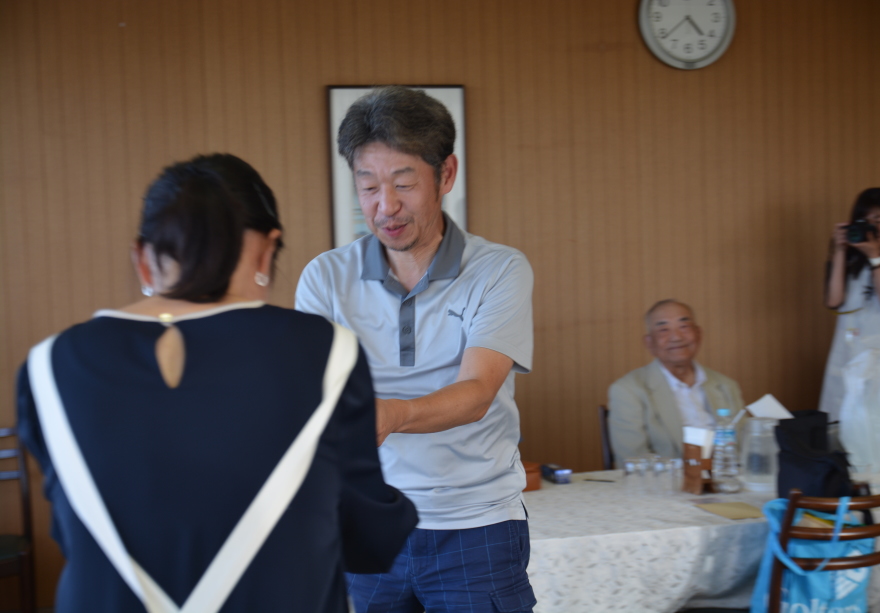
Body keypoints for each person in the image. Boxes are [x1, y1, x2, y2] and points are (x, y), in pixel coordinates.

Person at [16, 154, 417, 613]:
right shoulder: (325, 351)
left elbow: (73, 531)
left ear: (142, 259)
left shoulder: (48, 364)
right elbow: (369, 538)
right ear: (267, 249)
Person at [296, 86, 537, 613]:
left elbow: (477, 392)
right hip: (366, 521)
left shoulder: (498, 269)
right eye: (368, 187)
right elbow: (313, 395)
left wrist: (391, 414)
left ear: (446, 174)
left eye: (404, 184)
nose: (385, 207)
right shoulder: (325, 278)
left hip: (476, 524)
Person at [819, 187, 880, 444]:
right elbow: (834, 300)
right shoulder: (851, 262)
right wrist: (840, 251)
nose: (873, 228)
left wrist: (875, 258)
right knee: (844, 437)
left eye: (879, 219)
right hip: (848, 361)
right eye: (865, 221)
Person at [607, 299, 744, 466]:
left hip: (727, 477)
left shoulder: (726, 386)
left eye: (684, 326)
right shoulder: (628, 390)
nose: (677, 337)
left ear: (699, 334)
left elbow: (745, 447)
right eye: (663, 329)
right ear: (649, 343)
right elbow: (633, 460)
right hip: (669, 481)